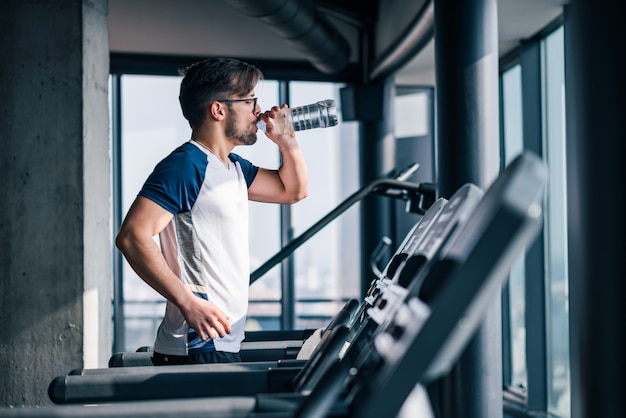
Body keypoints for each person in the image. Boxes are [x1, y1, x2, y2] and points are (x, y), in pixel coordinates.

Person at [115, 57, 308, 364]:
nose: (258, 111)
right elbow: (132, 236)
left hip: (222, 341)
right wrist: (188, 303)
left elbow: (292, 190)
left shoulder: (233, 168)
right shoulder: (186, 165)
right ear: (218, 110)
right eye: (250, 101)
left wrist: (288, 143)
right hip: (197, 344)